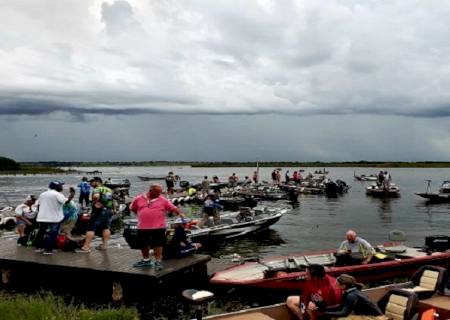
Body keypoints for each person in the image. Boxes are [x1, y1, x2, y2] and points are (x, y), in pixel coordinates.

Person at [130, 184, 184, 270]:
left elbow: (172, 208)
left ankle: (158, 262)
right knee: (143, 244)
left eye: (160, 192)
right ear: (151, 191)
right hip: (143, 227)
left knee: (158, 244)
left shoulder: (163, 200)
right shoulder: (139, 198)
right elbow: (133, 208)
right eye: (157, 192)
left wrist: (180, 213)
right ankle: (146, 260)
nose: (159, 194)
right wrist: (142, 214)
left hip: (158, 227)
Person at [319, 274, 385, 319]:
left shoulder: (351, 295)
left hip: (374, 317)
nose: (336, 286)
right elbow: (342, 306)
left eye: (337, 284)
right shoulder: (351, 291)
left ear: (343, 286)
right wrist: (325, 308)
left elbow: (344, 313)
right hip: (365, 314)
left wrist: (325, 313)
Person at [35, 181, 75, 255]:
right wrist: (72, 195)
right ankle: (48, 250)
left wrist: (40, 214)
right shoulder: (57, 194)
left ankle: (38, 248)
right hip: (54, 218)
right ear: (56, 187)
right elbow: (66, 202)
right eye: (60, 186)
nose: (62, 187)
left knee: (41, 232)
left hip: (42, 217)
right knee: (53, 233)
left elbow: (38, 205)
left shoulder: (42, 194)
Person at [77, 177, 113, 253]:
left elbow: (96, 196)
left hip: (99, 211)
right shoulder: (108, 189)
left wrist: (94, 202)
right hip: (108, 210)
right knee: (105, 227)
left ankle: (86, 247)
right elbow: (110, 200)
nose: (90, 184)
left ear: (97, 182)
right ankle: (104, 245)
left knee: (91, 227)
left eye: (91, 182)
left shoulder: (97, 189)